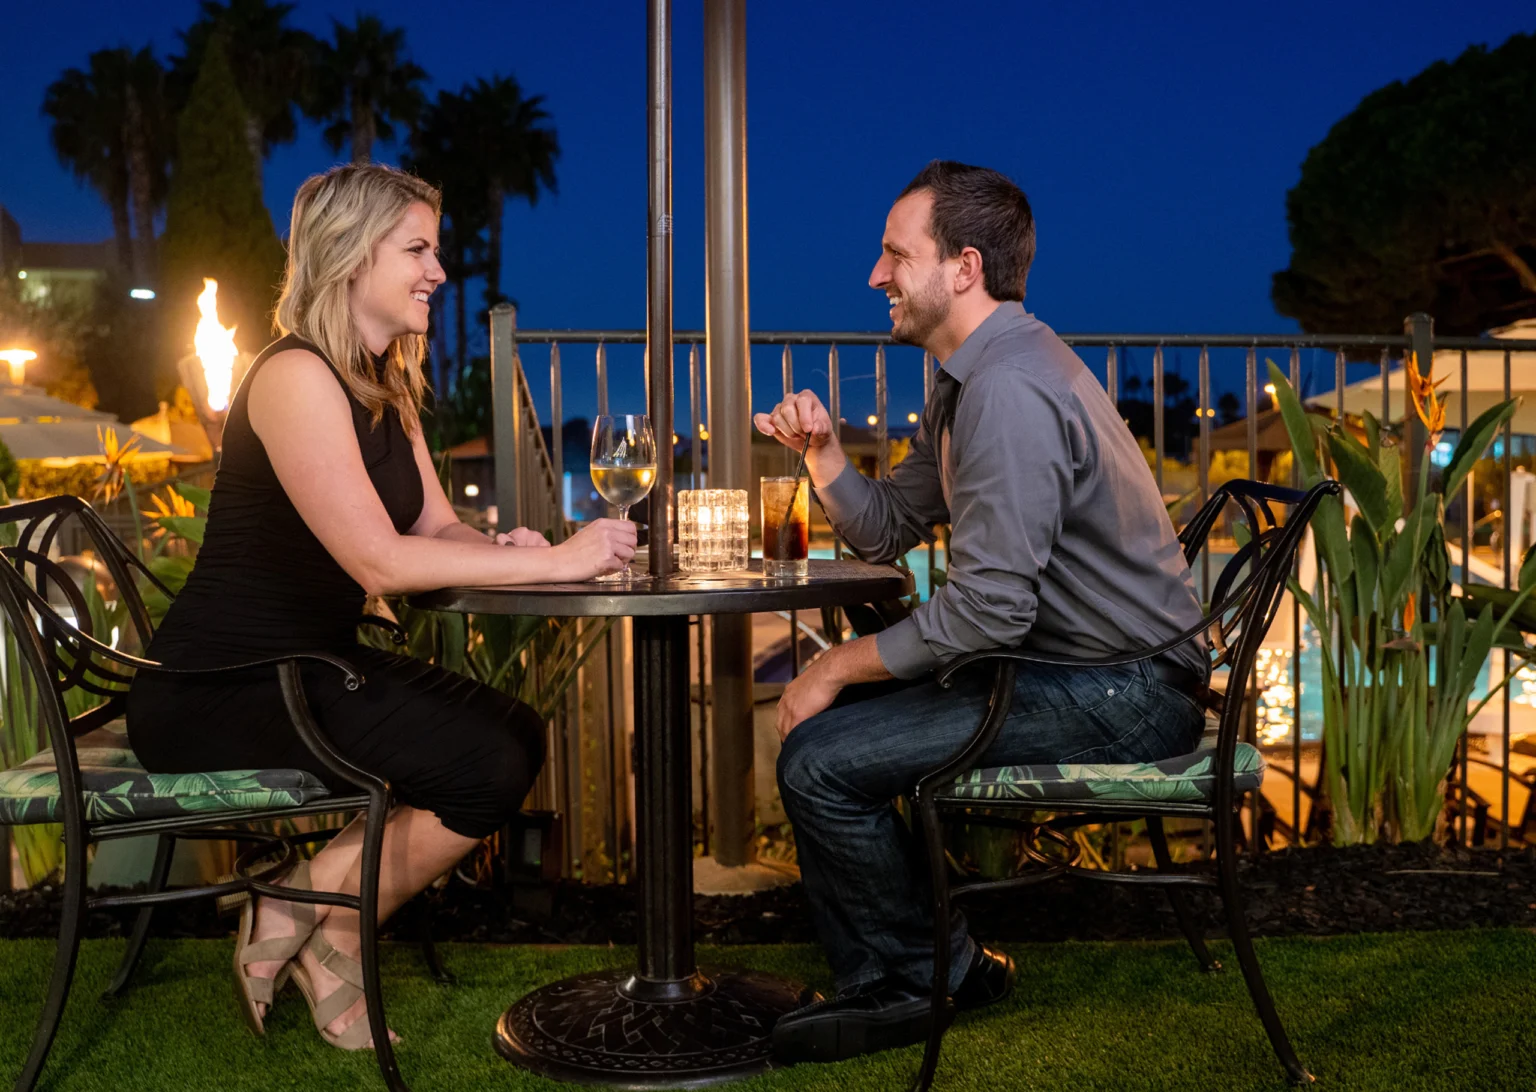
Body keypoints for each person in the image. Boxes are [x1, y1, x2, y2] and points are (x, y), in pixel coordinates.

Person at [125, 163, 636, 1050]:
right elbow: (377, 558)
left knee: (516, 738)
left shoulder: (382, 383)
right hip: (220, 688)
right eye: (418, 249)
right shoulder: (292, 377)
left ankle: (304, 903)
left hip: (311, 667)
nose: (438, 269)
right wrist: (560, 557)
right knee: (485, 762)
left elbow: (435, 523)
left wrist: (506, 551)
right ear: (352, 257)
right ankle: (329, 929)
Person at [754, 161, 1210, 1063]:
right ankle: (942, 963)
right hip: (1081, 670)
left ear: (963, 267)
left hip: (1124, 692)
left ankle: (904, 983)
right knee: (829, 736)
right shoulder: (973, 376)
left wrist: (833, 664)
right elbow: (886, 530)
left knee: (819, 758)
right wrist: (825, 457)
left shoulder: (1009, 388)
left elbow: (992, 611)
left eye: (894, 253)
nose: (876, 275)